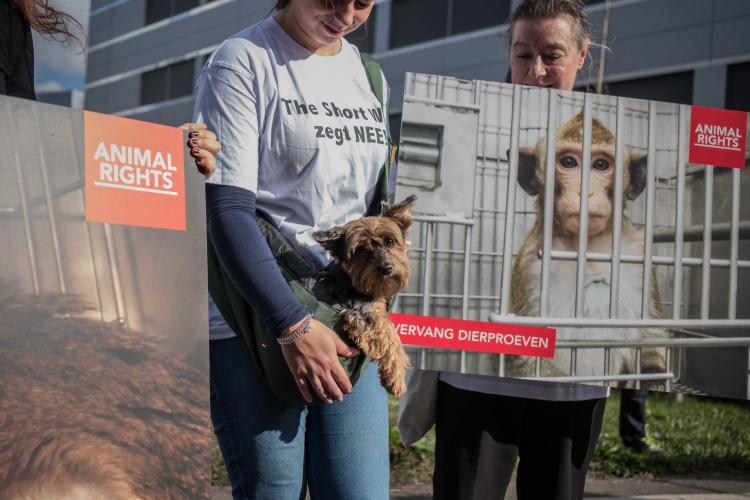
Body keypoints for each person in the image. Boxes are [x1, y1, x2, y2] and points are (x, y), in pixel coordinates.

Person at [400, 2, 609, 499]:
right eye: (523, 55)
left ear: (582, 56)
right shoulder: (463, 128)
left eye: (552, 56)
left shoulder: (614, 139)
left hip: (571, 378)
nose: (535, 72)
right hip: (476, 374)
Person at [192, 0, 391, 498]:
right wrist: (292, 326)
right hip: (258, 319)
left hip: (347, 319)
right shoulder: (242, 60)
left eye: (363, 3)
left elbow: (368, 209)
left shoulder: (369, 75)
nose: (345, 15)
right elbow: (227, 211)